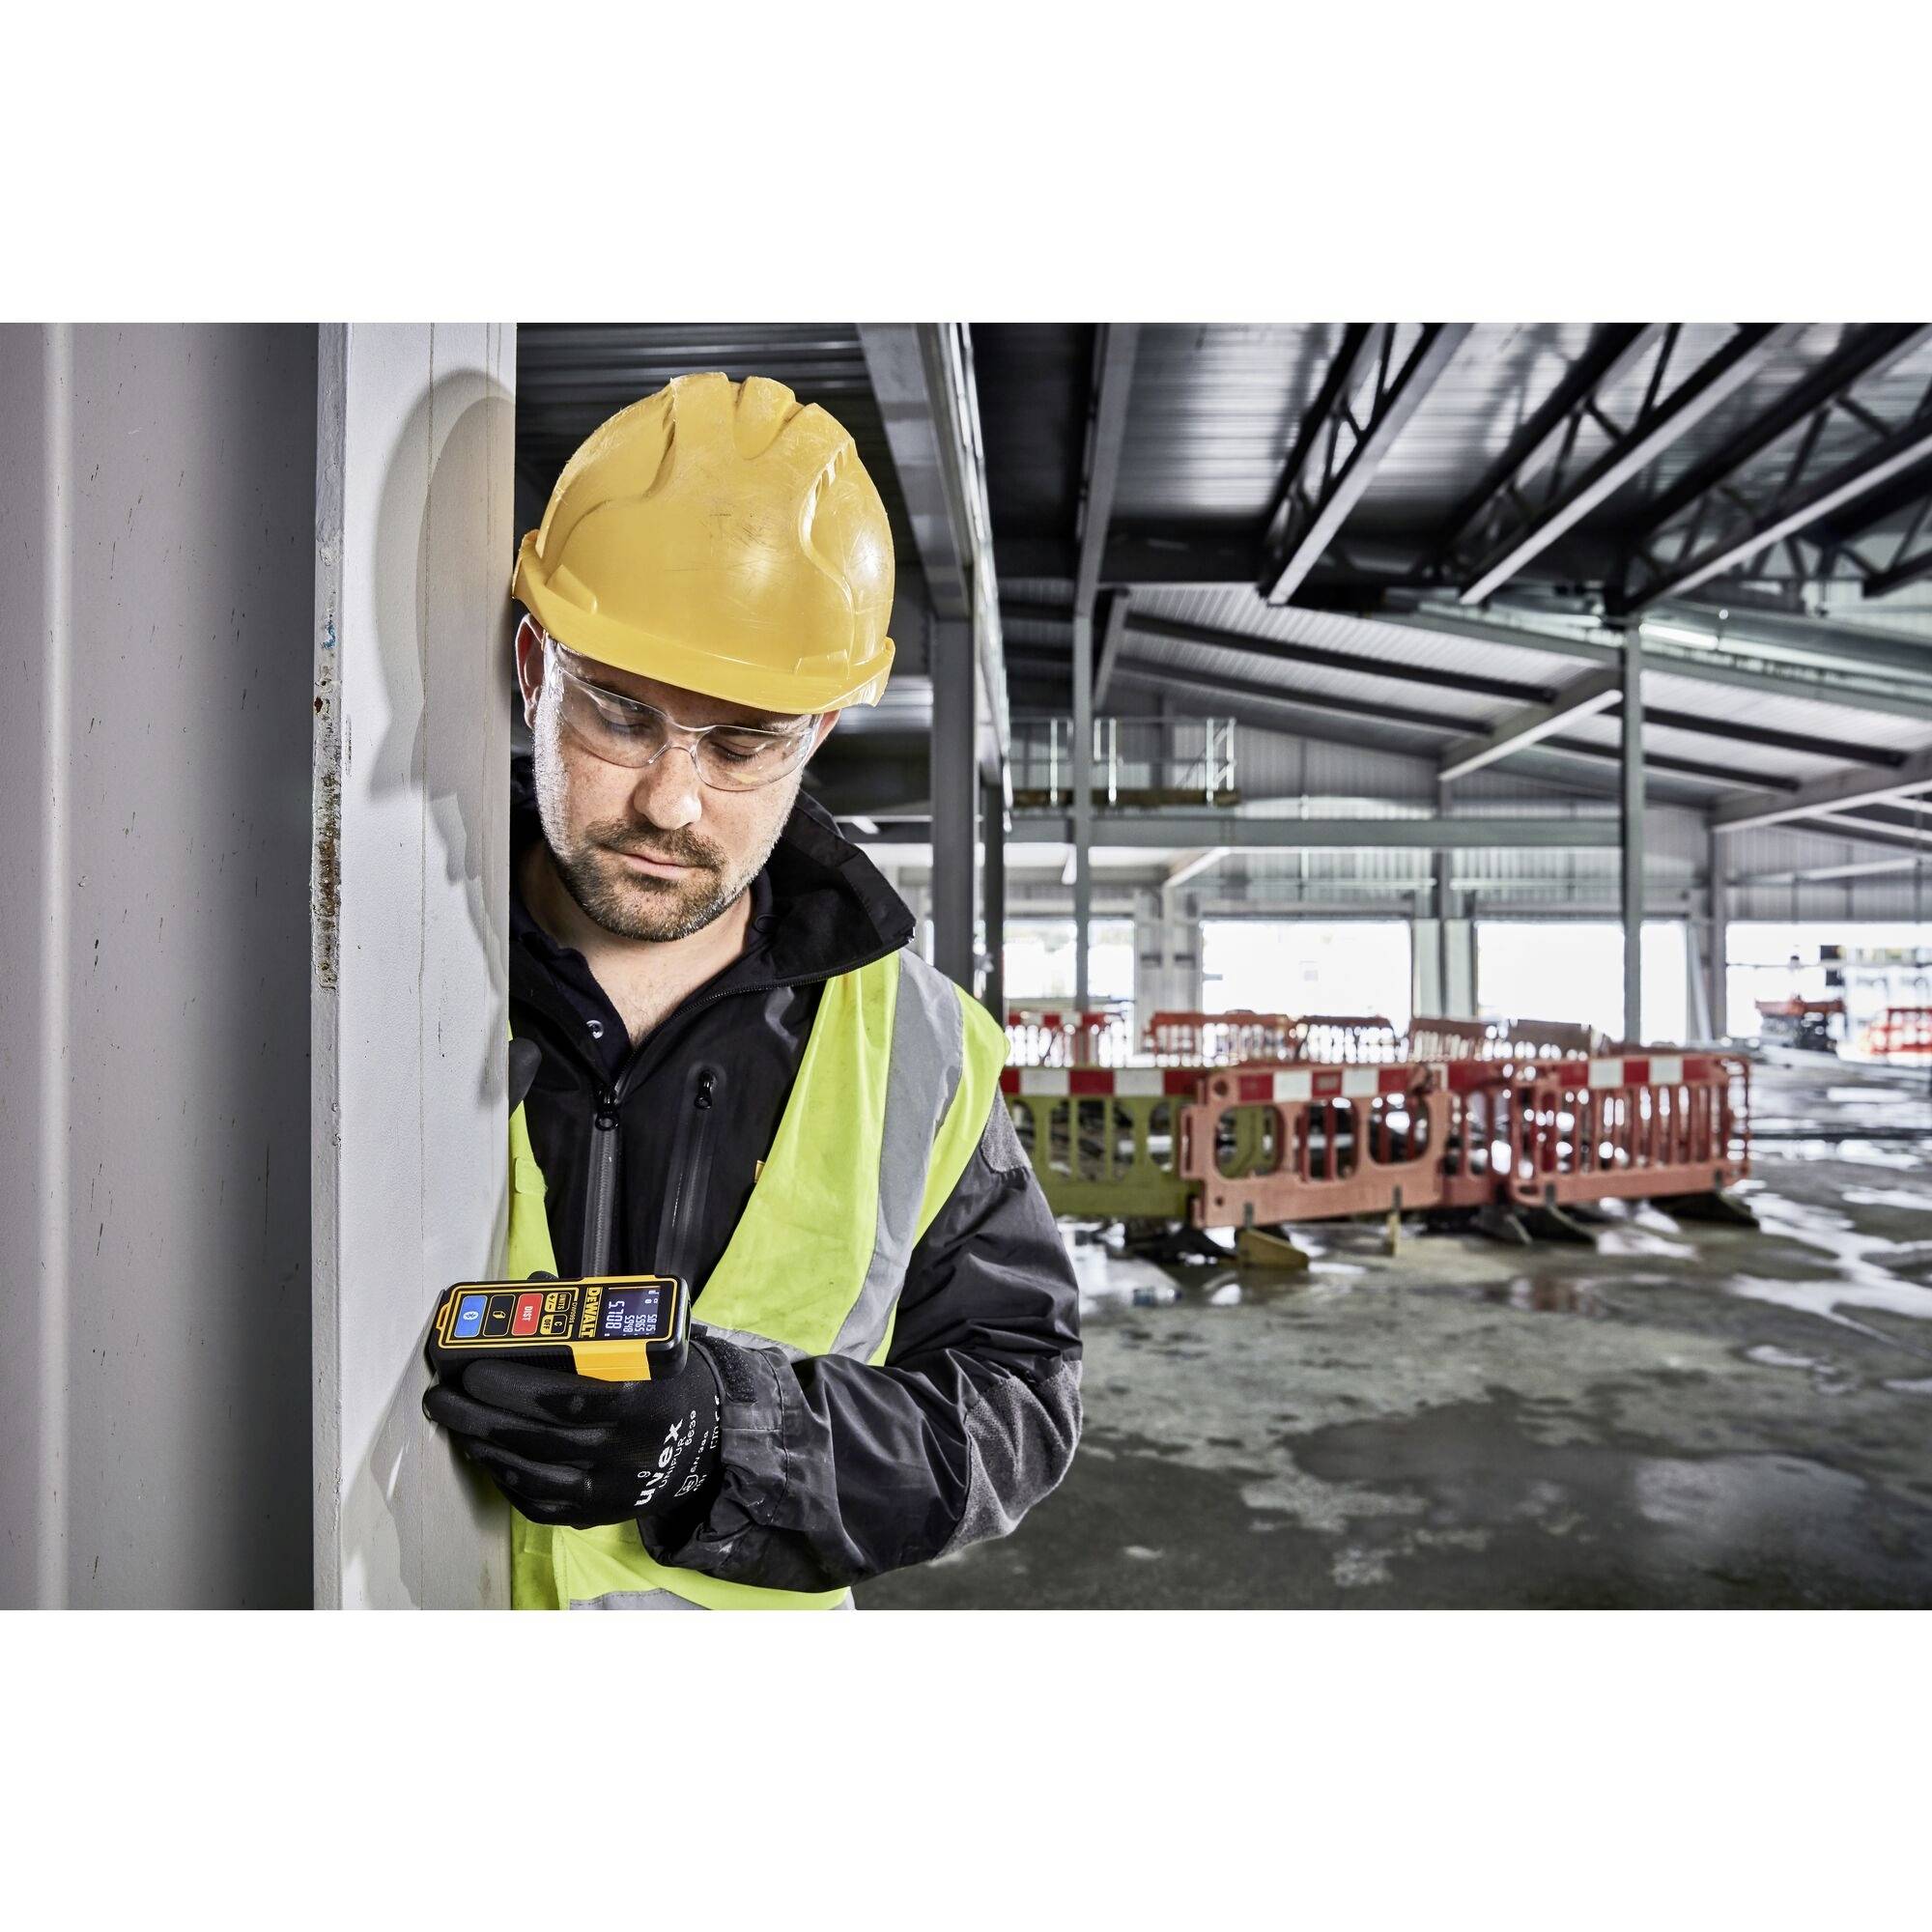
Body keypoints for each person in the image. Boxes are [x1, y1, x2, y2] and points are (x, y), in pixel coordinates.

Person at [422, 370, 1082, 1609]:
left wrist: (725, 1438)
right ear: (532, 668)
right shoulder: (375, 970)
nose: (670, 802)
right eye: (619, 716)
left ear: (816, 736)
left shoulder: (919, 1047)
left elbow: (1016, 1406)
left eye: (740, 745)